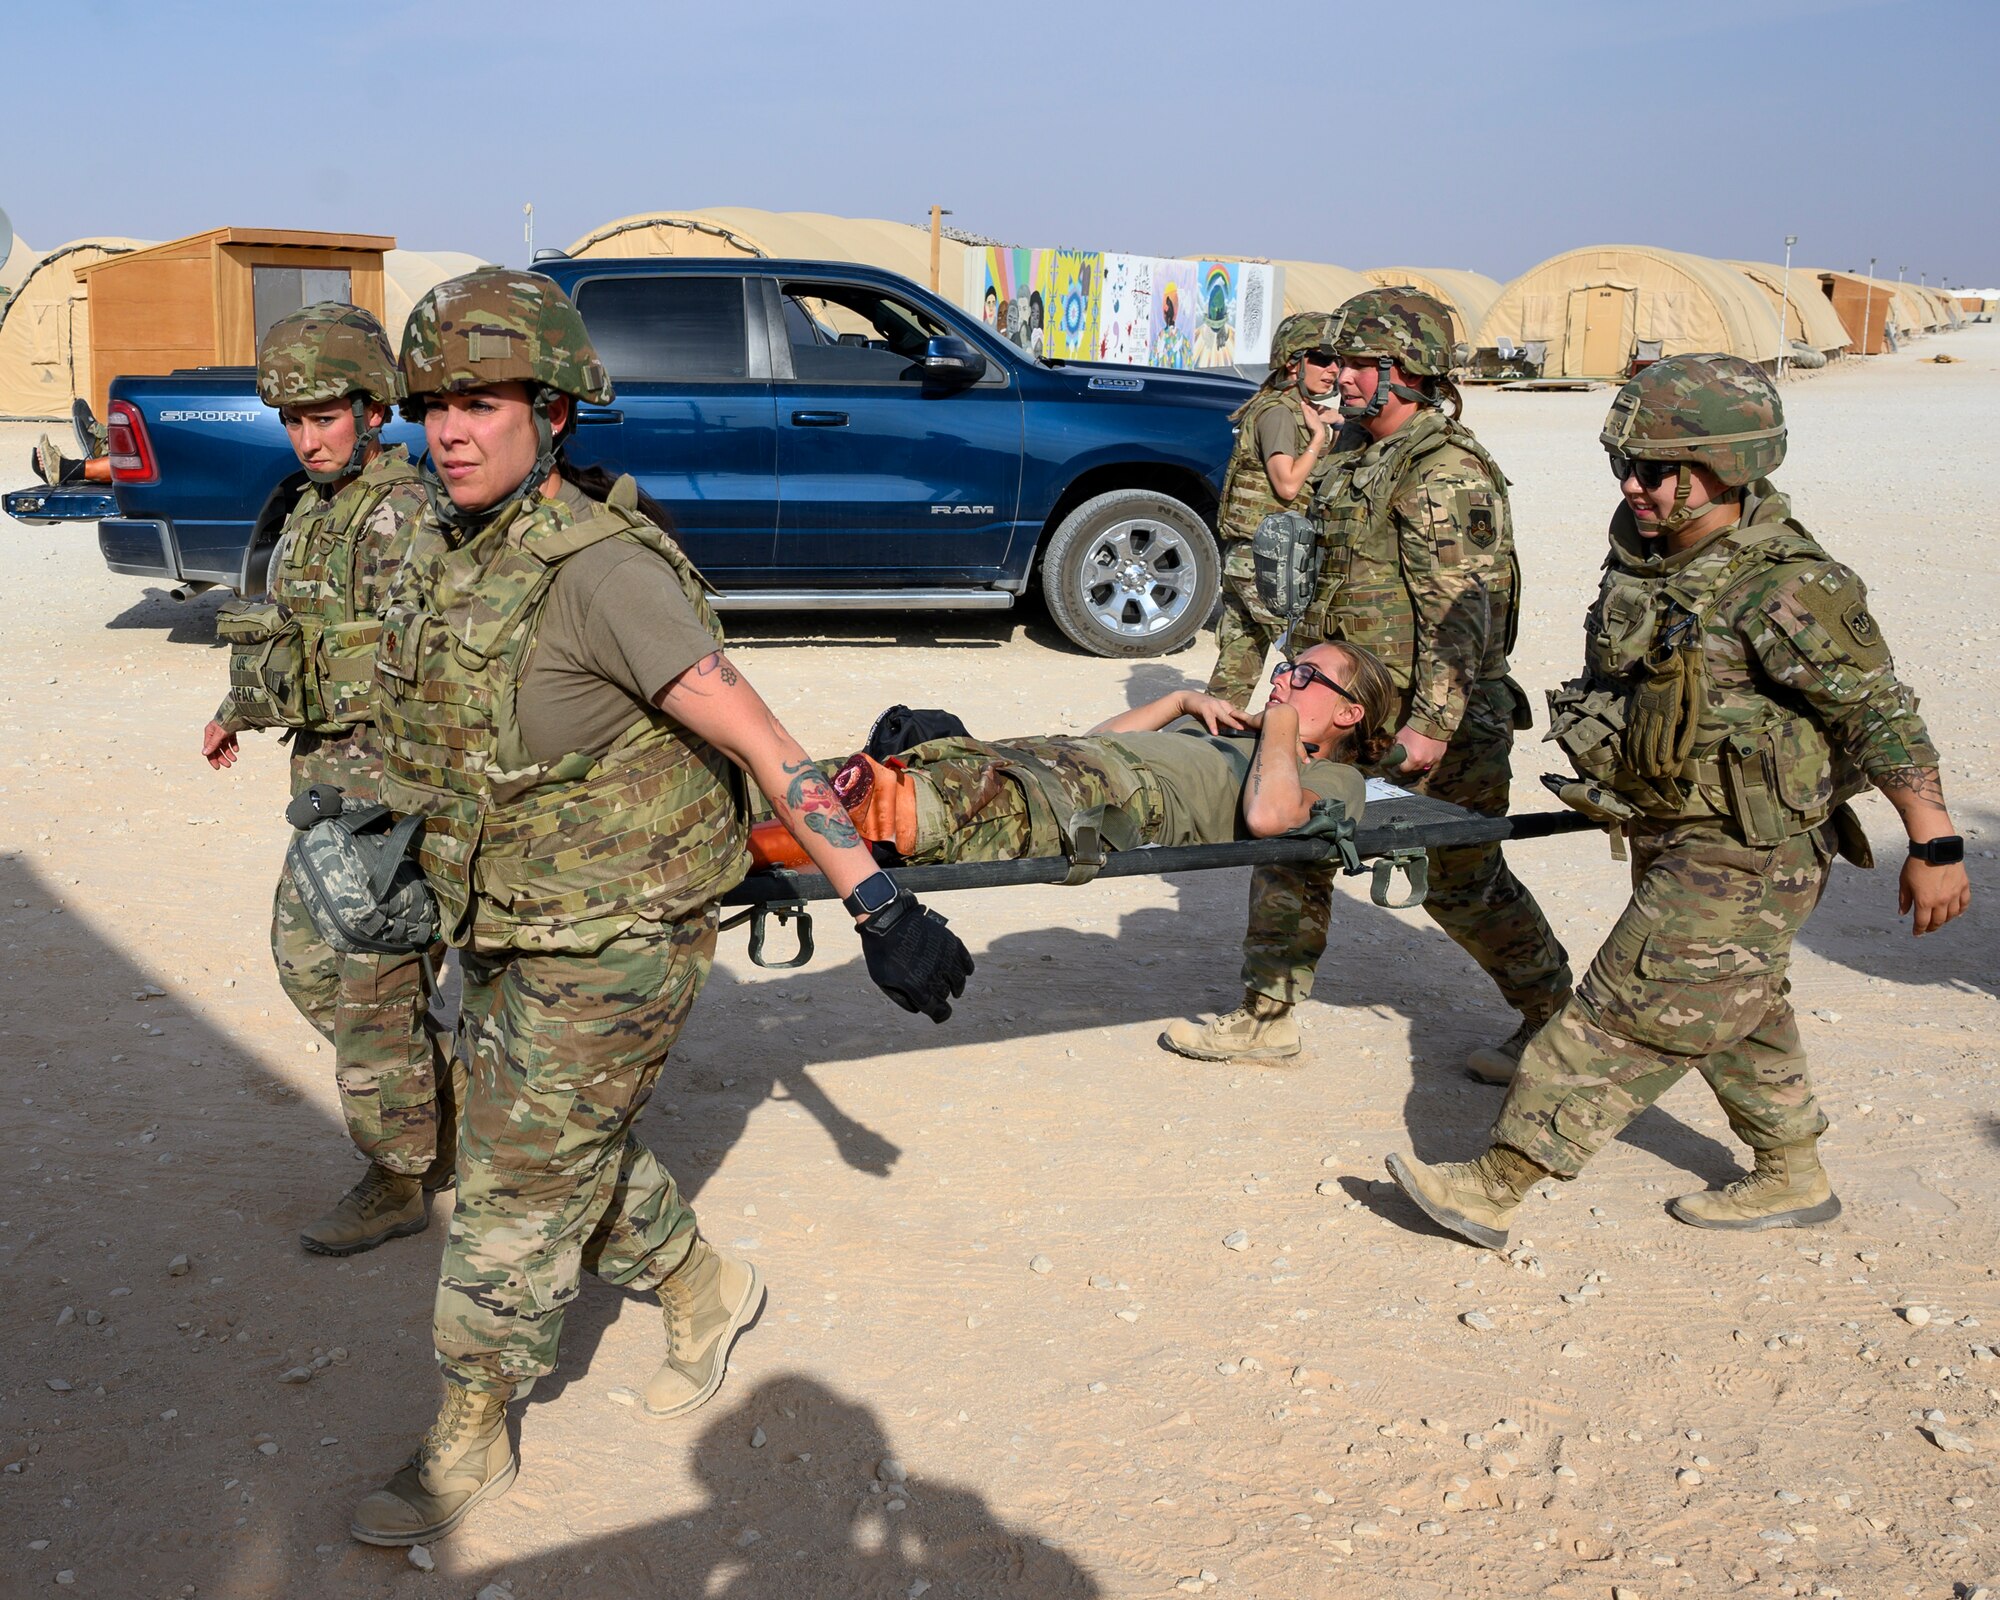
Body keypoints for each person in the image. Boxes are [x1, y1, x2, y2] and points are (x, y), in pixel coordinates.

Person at [348, 268, 973, 1547]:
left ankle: (468, 1425)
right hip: (512, 908)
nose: (449, 429)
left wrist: (875, 899)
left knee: (516, 1185)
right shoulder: (445, 541)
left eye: (482, 401)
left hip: (625, 931)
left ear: (556, 411)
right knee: (553, 1135)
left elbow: (762, 739)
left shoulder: (606, 574)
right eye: (432, 405)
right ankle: (705, 1283)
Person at [1384, 353, 1972, 1248]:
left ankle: (1497, 1184)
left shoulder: (1786, 584)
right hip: (1676, 831)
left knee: (1628, 1003)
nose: (1634, 484)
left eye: (1658, 469)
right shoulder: (1653, 559)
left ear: (1728, 469)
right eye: (1624, 462)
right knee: (1732, 1002)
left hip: (1748, 852)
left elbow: (1879, 712)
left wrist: (1933, 842)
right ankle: (1791, 1169)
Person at [1167, 288, 1571, 1070]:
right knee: (1289, 845)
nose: (1342, 376)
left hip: (1436, 722)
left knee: (1464, 883)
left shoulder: (1445, 471)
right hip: (1344, 706)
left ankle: (1554, 1021)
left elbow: (1465, 613)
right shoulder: (1352, 450)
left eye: (1360, 363)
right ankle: (1267, 1016)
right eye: (1341, 361)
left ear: (1407, 372)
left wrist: (1432, 727)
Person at [200, 304, 452, 1255]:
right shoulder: (316, 508)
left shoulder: (402, 514)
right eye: (294, 420)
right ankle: (451, 1114)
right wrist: (239, 709)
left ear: (373, 408)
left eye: (325, 417)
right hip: (330, 788)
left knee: (370, 989)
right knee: (313, 967)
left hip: (389, 796)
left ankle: (400, 1177)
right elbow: (296, 638)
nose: (308, 438)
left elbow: (425, 663)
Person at [746, 640, 1397, 871]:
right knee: (904, 764)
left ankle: (771, 843)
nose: (1285, 680)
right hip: (1077, 762)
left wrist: (1280, 720)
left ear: (1349, 713)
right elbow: (1101, 736)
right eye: (1289, 670)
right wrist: (1180, 704)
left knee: (909, 806)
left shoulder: (1333, 774)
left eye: (1307, 677)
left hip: (1120, 799)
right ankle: (732, 799)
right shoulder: (1252, 743)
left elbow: (1272, 817)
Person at [1205, 310, 1342, 709]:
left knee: (1239, 658)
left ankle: (1211, 735)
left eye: (1337, 360)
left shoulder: (1285, 407)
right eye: (1320, 358)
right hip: (1264, 560)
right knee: (1306, 654)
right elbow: (1286, 483)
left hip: (1253, 554)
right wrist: (1320, 438)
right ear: (1292, 362)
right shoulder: (1279, 412)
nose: (1332, 369)